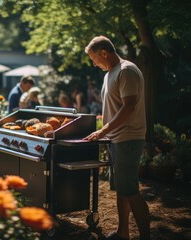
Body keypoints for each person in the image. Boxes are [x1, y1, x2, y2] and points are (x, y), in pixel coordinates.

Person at [84, 36, 150, 240]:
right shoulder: (109, 74)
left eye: (94, 59)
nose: (94, 64)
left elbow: (129, 106)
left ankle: (146, 236)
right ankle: (123, 233)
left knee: (130, 190)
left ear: (104, 53)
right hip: (116, 139)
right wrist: (106, 134)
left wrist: (102, 131)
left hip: (128, 139)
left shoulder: (126, 71)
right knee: (122, 190)